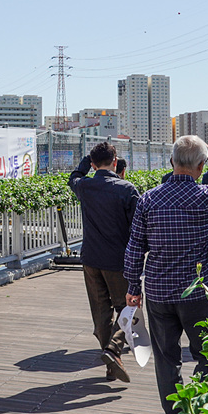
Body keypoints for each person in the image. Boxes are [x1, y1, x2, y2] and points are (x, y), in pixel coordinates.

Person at [124, 136, 208, 414]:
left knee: (166, 360)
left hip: (157, 291)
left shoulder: (148, 199)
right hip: (198, 292)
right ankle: (201, 413)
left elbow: (134, 246)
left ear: (171, 162)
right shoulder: (206, 195)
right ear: (201, 166)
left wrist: (132, 286)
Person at [69, 142, 140, 382]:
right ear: (115, 160)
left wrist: (85, 163)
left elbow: (74, 177)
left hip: (90, 258)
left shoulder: (85, 186)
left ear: (92, 163)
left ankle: (112, 363)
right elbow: (138, 228)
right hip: (118, 260)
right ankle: (112, 350)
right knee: (128, 307)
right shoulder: (126, 189)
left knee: (100, 312)